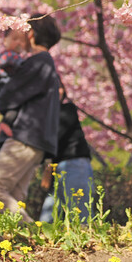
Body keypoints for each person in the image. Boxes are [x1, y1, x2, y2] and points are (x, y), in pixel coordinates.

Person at [0, 13, 61, 222]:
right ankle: (14, 243)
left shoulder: (38, 62)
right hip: (38, 140)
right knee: (14, 195)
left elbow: (5, 98)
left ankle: (32, 234)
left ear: (31, 34)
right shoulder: (46, 64)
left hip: (25, 137)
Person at [39, 85, 94, 223]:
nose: (57, 90)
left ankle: (87, 243)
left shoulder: (67, 110)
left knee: (80, 213)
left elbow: (55, 136)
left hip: (74, 164)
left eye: (60, 87)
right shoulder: (44, 116)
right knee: (48, 218)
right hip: (58, 168)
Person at [0, 29, 29, 163]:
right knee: (12, 111)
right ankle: (4, 130)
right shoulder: (7, 56)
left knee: (15, 113)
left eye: (22, 40)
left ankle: (5, 131)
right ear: (5, 40)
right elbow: (7, 63)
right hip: (5, 90)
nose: (19, 42)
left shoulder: (15, 56)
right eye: (15, 38)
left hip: (10, 91)